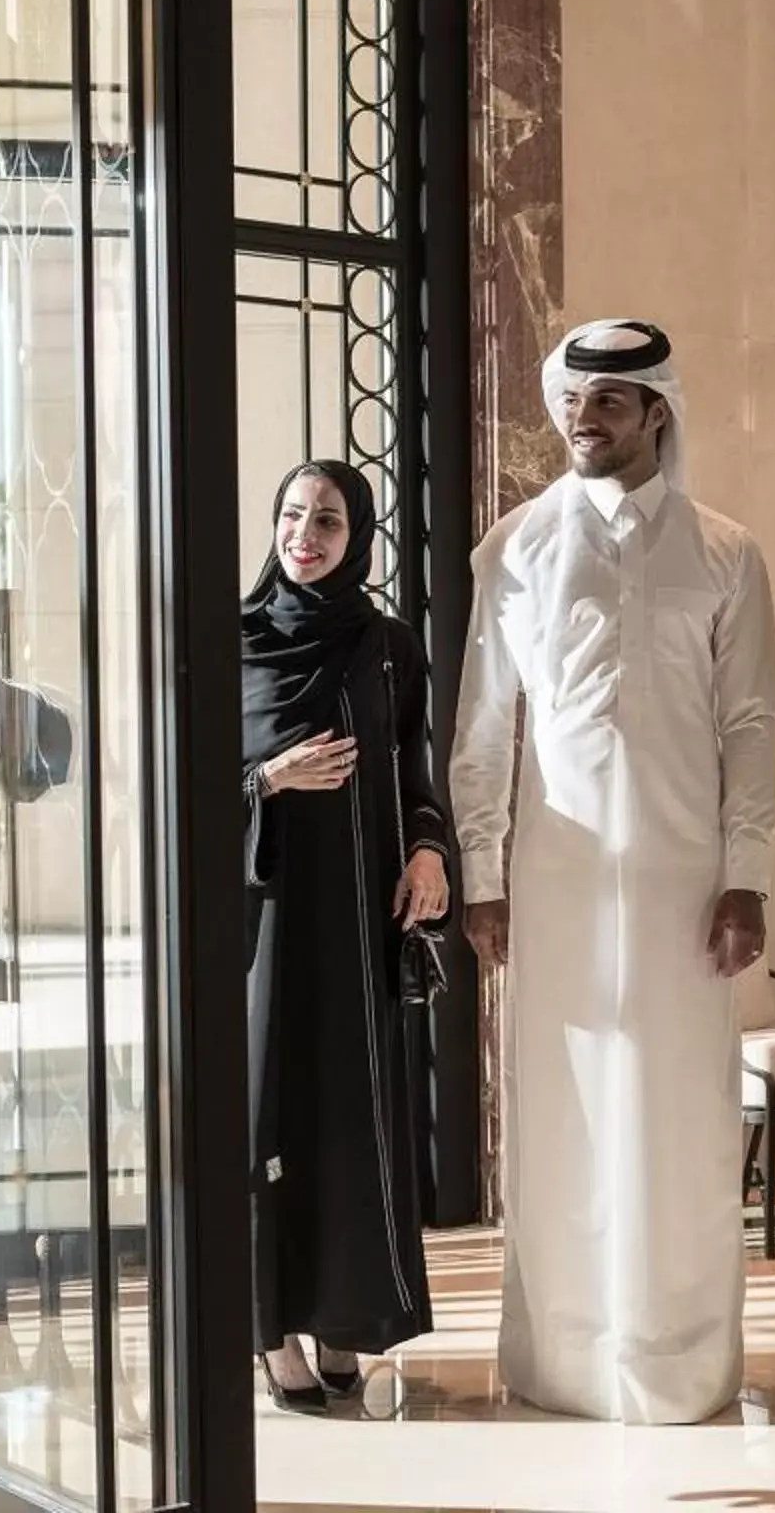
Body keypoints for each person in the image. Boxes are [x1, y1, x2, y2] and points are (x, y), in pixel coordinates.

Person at [450, 319, 775, 1425]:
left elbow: (753, 723)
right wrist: (485, 874)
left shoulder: (727, 551)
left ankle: (680, 1358)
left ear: (655, 413)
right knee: (565, 1107)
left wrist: (749, 876)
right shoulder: (514, 548)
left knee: (683, 1113)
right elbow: (485, 727)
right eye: (572, 399)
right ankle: (569, 1356)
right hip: (559, 879)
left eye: (608, 401)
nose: (582, 420)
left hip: (687, 886)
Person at [240, 460, 457, 1412]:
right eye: (292, 515)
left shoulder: (386, 646)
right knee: (268, 1121)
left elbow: (419, 771)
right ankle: (270, 1331)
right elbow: (171, 787)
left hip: (360, 924)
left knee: (347, 1125)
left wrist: (428, 852)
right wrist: (267, 781)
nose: (307, 534)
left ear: (356, 533)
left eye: (328, 519)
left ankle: (343, 1317)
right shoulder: (233, 641)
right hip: (264, 932)